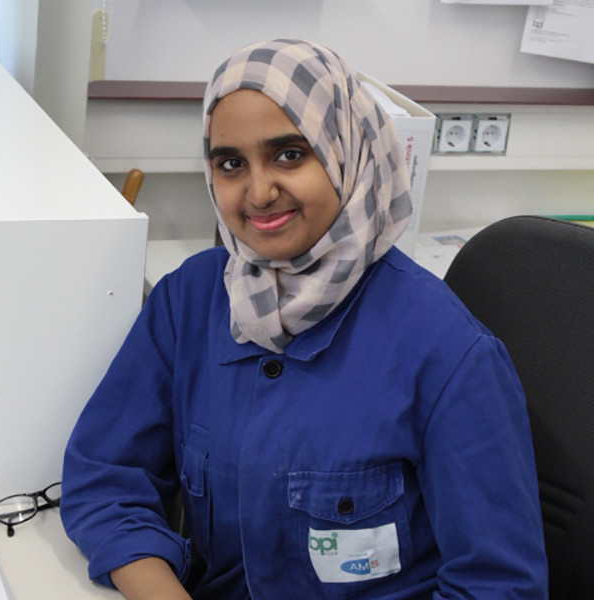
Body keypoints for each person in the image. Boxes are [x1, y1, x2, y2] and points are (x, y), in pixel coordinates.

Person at [61, 39, 548, 599]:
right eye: (231, 164)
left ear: (347, 152)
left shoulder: (448, 354)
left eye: (290, 154)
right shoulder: (189, 301)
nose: (259, 191)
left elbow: (498, 586)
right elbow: (105, 477)